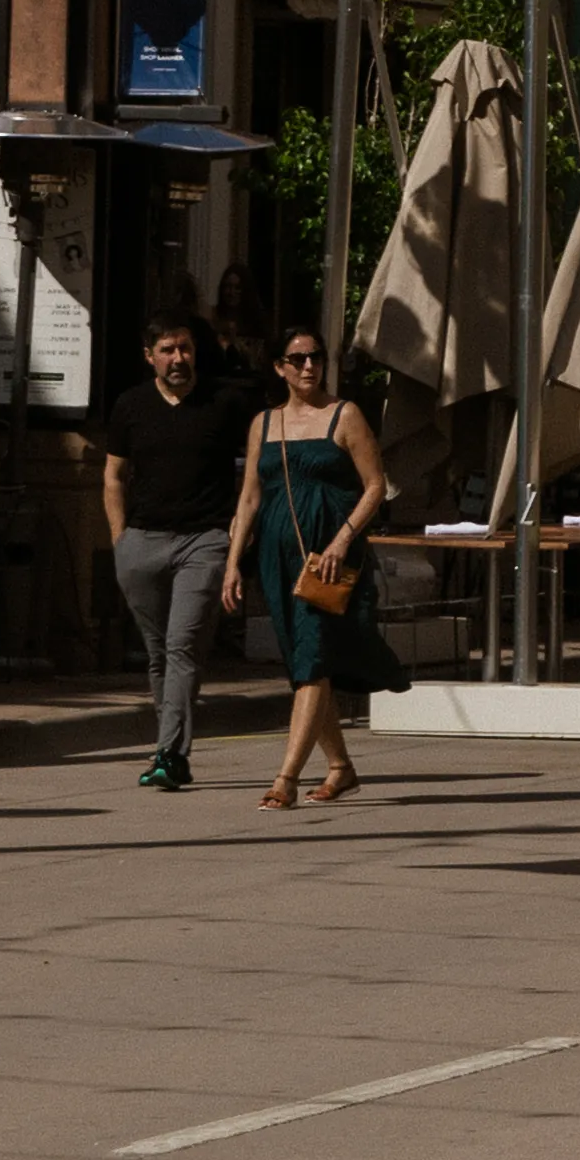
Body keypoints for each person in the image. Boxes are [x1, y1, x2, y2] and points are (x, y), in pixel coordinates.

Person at [222, 323, 409, 807]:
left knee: (311, 659)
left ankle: (284, 779)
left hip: (328, 562)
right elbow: (248, 500)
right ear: (280, 367)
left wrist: (341, 542)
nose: (310, 366)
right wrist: (231, 564)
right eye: (299, 358)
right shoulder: (263, 424)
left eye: (317, 357)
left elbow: (375, 487)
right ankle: (341, 767)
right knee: (306, 663)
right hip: (276, 560)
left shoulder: (344, 415)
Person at [89, 312, 248, 795]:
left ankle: (168, 753)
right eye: (168, 350)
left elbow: (248, 482)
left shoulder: (225, 402)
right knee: (158, 653)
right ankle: (171, 750)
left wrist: (235, 544)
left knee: (182, 646)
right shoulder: (131, 406)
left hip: (204, 541)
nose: (178, 358)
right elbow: (113, 476)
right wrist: (121, 541)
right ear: (149, 356)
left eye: (185, 348)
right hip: (142, 542)